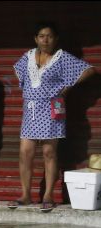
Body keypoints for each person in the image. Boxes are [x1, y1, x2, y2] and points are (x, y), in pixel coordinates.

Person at [9, 21, 96, 212]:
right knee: (25, 152)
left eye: (49, 36)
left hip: (52, 109)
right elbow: (21, 76)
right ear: (35, 39)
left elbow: (89, 70)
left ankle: (48, 194)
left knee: (49, 152)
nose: (45, 40)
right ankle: (25, 195)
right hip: (31, 110)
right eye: (41, 36)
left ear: (55, 39)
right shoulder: (28, 57)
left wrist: (66, 87)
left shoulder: (62, 58)